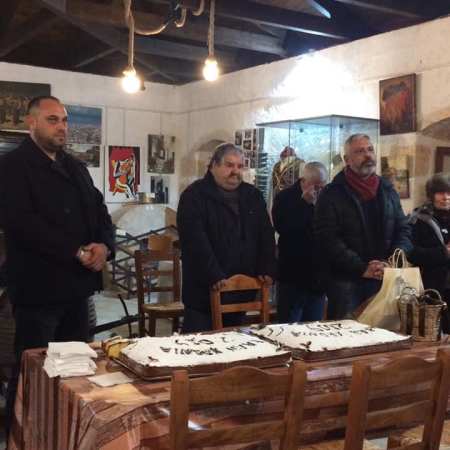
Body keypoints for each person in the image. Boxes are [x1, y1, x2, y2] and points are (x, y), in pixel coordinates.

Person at [0, 96, 114, 435]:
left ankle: (67, 434)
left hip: (78, 289)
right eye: (52, 120)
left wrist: (105, 246)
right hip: (38, 289)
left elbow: (100, 212)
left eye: (64, 120)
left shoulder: (75, 167)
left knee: (76, 368)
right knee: (33, 372)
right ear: (31, 122)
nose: (62, 127)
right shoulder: (11, 166)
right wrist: (76, 251)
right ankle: (22, 437)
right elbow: (23, 223)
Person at [177, 143, 276, 332]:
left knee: (236, 345)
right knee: (200, 343)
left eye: (240, 166)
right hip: (205, 291)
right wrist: (213, 274)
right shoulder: (194, 196)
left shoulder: (252, 195)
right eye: (229, 165)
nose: (235, 171)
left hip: (242, 290)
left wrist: (266, 266)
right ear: (213, 165)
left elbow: (265, 233)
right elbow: (194, 241)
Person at [314, 133, 412, 319]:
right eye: (360, 151)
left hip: (386, 277)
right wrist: (362, 268)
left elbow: (403, 229)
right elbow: (328, 239)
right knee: (346, 334)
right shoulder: (332, 194)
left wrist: (391, 261)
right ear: (347, 159)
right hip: (346, 281)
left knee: (386, 333)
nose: (367, 155)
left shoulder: (387, 189)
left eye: (370, 149)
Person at [272, 161, 328, 323]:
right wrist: (304, 204)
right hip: (292, 275)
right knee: (288, 325)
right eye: (316, 186)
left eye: (322, 186)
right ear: (304, 181)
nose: (319, 190)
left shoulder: (326, 198)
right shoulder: (285, 197)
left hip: (317, 277)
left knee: (314, 326)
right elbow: (283, 228)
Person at [409, 174, 450, 332]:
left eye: (449, 192)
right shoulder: (418, 219)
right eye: (440, 192)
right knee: (434, 334)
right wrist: (444, 253)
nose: (446, 197)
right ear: (431, 195)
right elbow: (411, 253)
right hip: (431, 289)